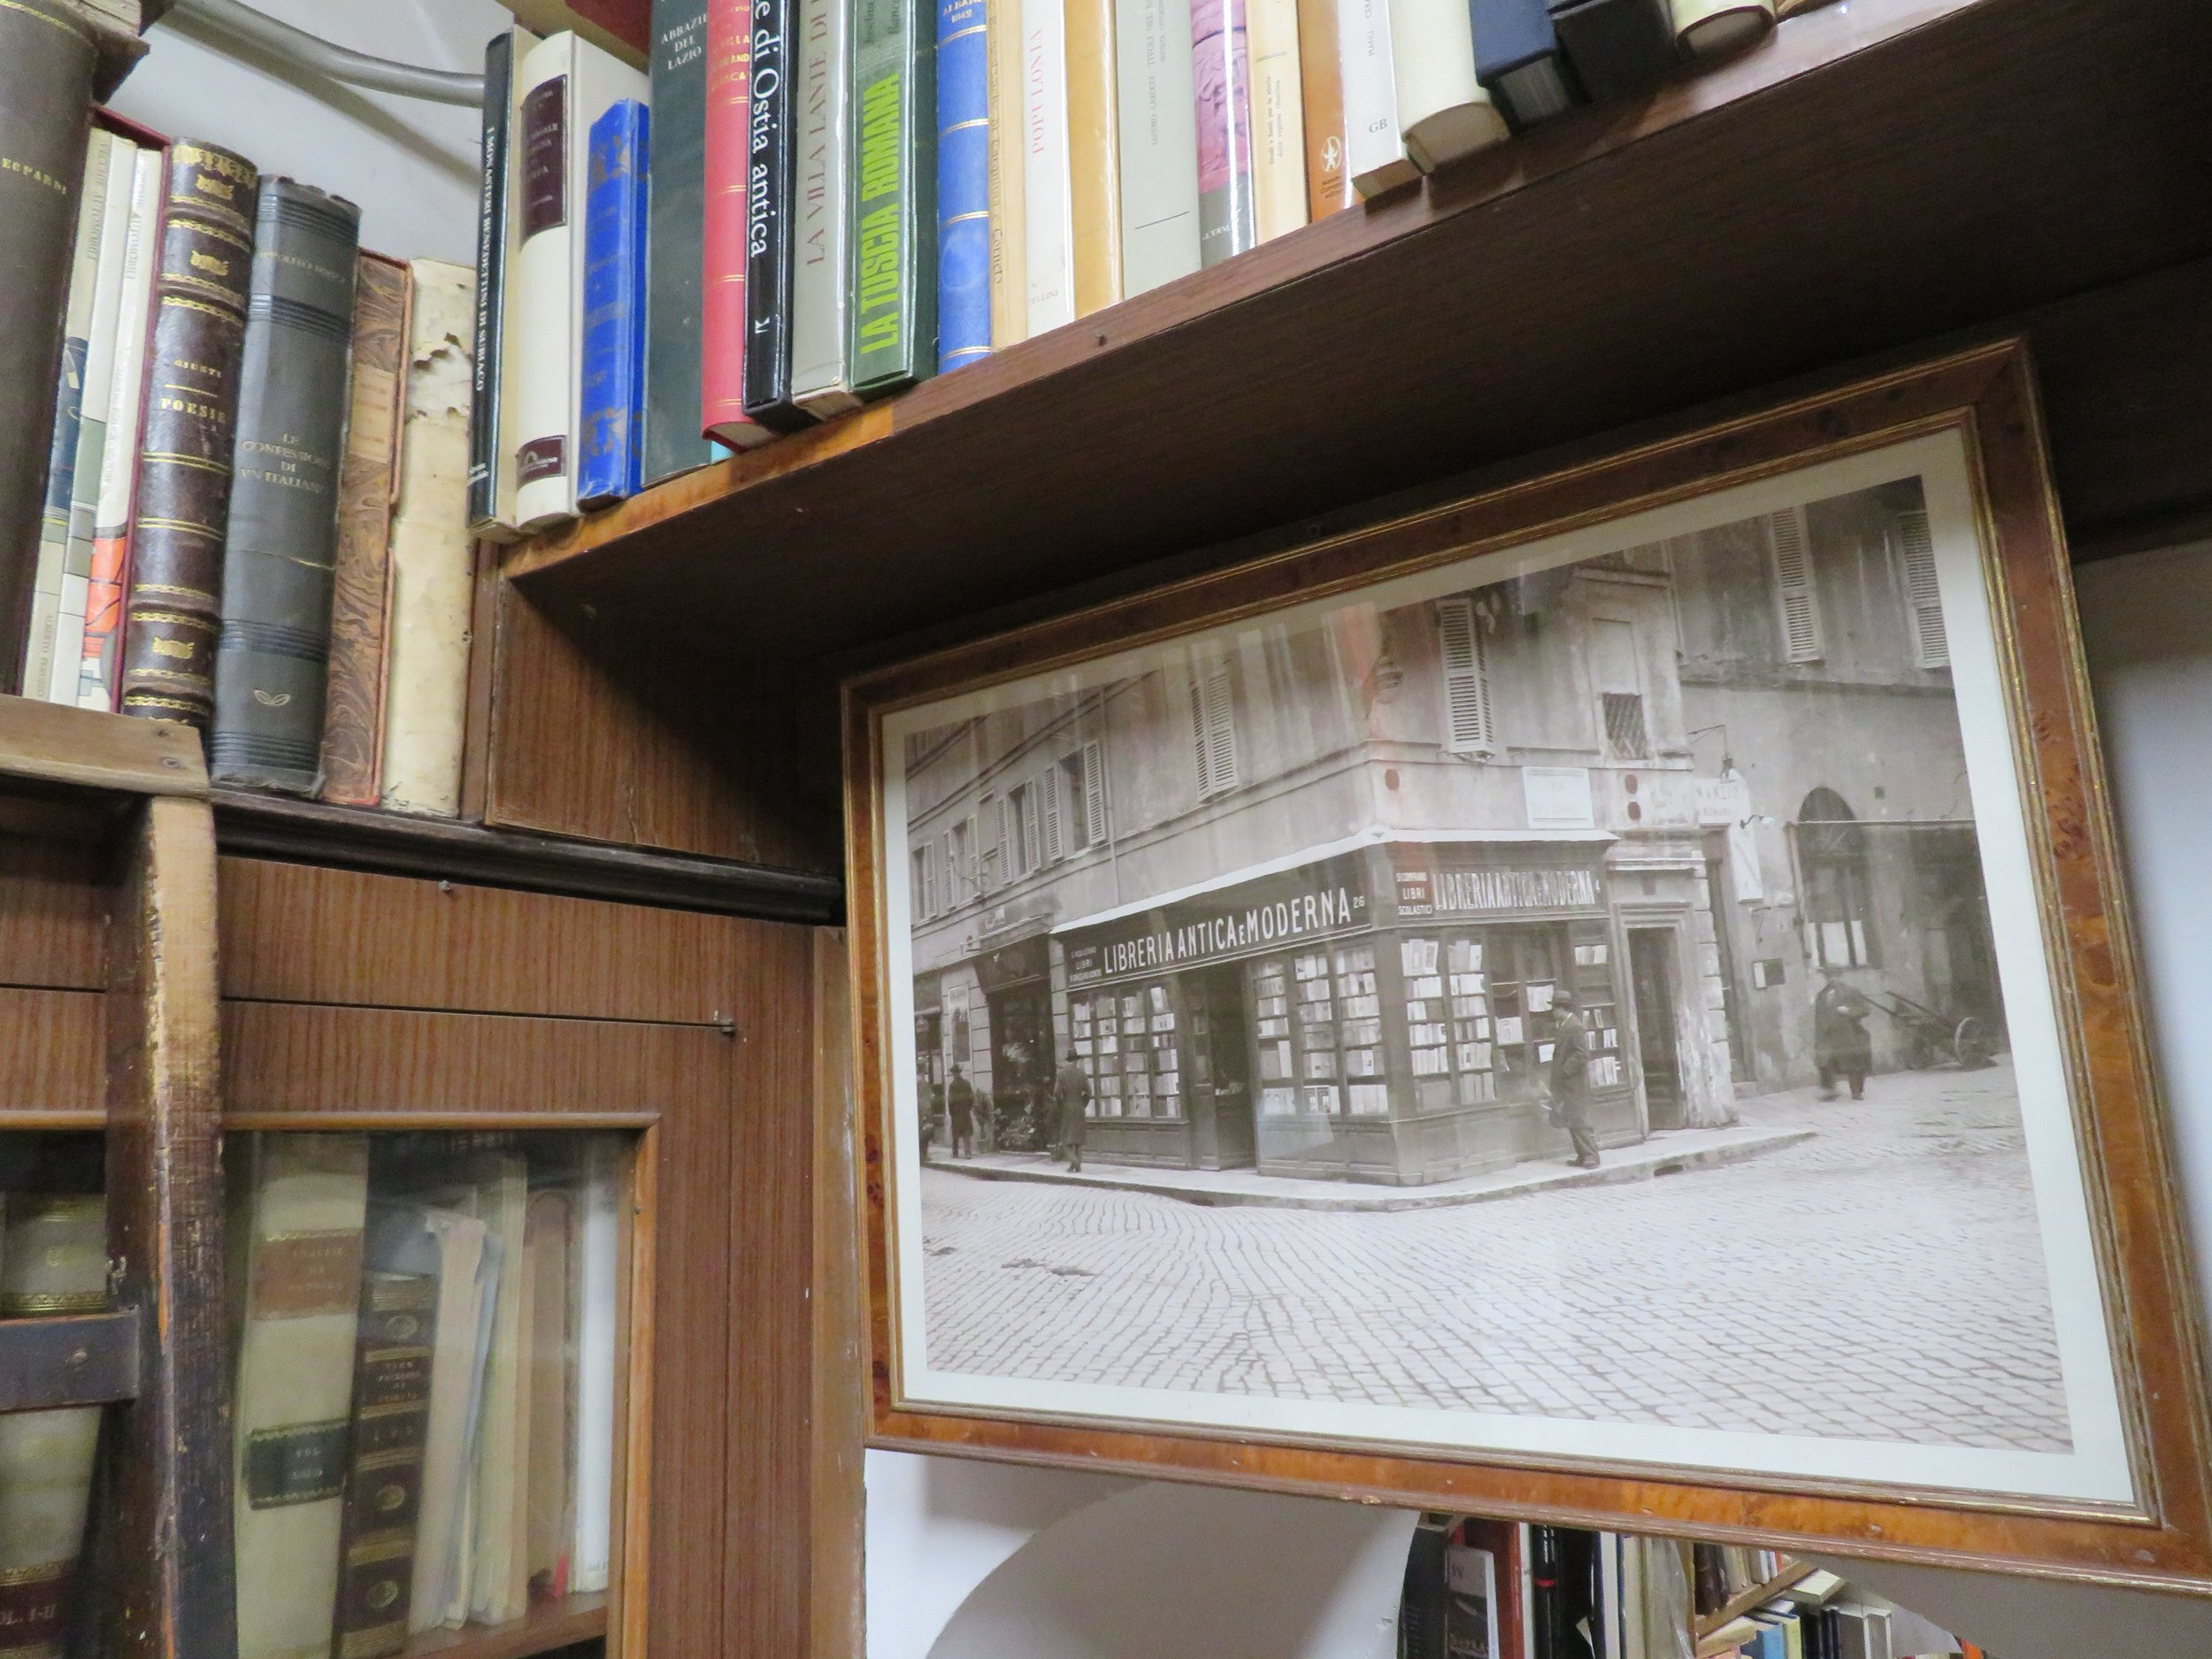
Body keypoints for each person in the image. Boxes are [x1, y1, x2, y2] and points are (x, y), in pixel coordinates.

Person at [1549, 1000, 1600, 1170]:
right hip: (1568, 1083)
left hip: (1575, 1083)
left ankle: (1591, 1156)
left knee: (1579, 1119)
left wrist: (1565, 1071)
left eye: (1553, 1008)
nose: (1552, 1012)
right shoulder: (1565, 1025)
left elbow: (1582, 1054)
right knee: (1572, 1118)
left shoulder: (1574, 1026)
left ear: (1560, 1008)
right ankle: (1582, 1155)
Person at [1812, 965, 1876, 1100]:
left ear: (1840, 975)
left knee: (1853, 1063)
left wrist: (1848, 1011)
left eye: (1834, 975)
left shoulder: (1852, 991)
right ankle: (1831, 1091)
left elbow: (1865, 1009)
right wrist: (1819, 1037)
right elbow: (1818, 1018)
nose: (1831, 978)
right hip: (1828, 1036)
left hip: (1849, 1033)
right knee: (1825, 1062)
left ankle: (1856, 1091)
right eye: (1828, 976)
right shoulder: (1821, 996)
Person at [1053, 1056, 1093, 1173]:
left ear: (1067, 1060)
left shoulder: (1061, 1073)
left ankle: (1074, 1161)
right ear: (1077, 1060)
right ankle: (1077, 1166)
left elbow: (1056, 1092)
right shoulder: (1081, 1073)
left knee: (1066, 1139)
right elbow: (1089, 1092)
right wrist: (1083, 1103)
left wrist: (1061, 1104)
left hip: (1067, 1108)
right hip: (1079, 1108)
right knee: (1078, 1140)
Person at [946, 1062, 976, 1159]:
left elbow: (950, 1101)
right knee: (966, 1133)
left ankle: (955, 1153)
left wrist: (951, 1112)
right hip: (965, 1112)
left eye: (955, 1073)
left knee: (955, 1134)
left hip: (956, 1113)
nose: (955, 1075)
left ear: (955, 1073)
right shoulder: (966, 1083)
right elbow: (971, 1098)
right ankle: (968, 1153)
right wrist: (969, 1108)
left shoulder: (952, 1085)